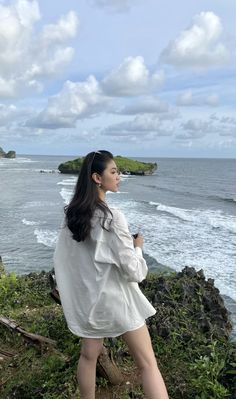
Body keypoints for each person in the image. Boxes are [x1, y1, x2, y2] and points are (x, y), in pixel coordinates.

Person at [54, 150, 169, 399]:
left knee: (88, 356)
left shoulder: (72, 216)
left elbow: (66, 261)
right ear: (97, 177)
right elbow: (135, 272)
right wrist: (138, 248)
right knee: (148, 365)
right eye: (114, 171)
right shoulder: (113, 217)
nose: (120, 176)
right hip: (117, 302)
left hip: (89, 302)